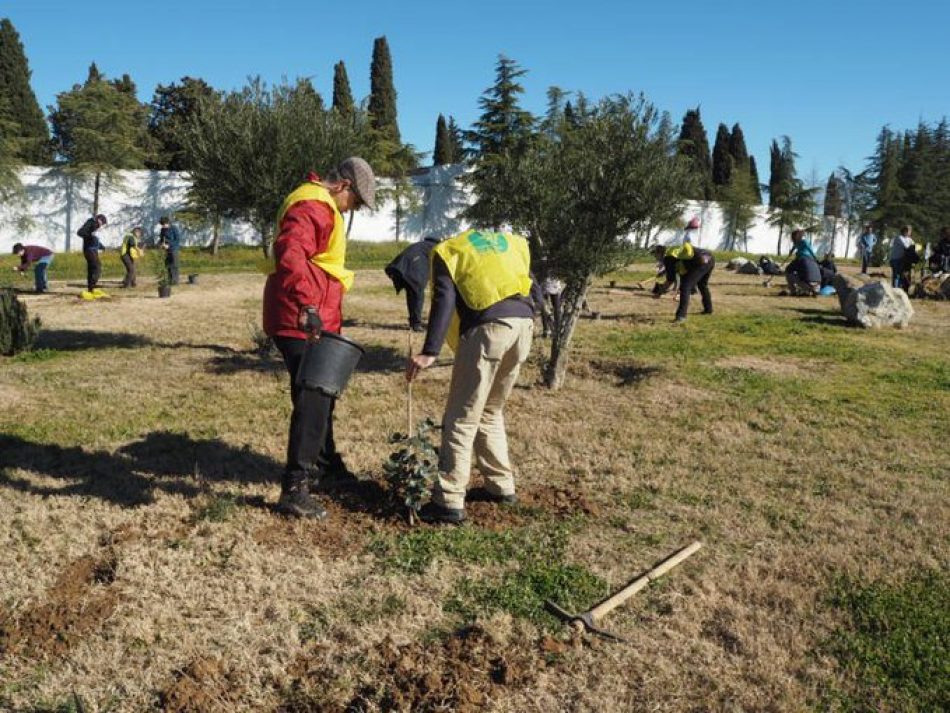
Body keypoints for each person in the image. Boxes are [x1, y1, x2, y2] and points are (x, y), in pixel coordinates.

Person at [263, 157, 376, 519]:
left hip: (312, 316)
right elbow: (291, 252)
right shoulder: (314, 205)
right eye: (355, 202)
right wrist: (308, 305)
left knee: (321, 394)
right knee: (313, 397)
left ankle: (326, 468)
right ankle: (295, 487)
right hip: (301, 318)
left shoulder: (321, 204)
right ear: (343, 186)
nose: (352, 209)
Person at [406, 228, 538, 524]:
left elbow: (444, 298)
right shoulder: (505, 244)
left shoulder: (448, 252)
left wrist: (430, 351)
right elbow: (534, 286)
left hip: (489, 330)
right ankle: (501, 486)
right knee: (490, 411)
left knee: (461, 418)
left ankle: (449, 501)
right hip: (524, 326)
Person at [384, 235, 441, 332]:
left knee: (412, 295)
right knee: (418, 295)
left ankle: (414, 322)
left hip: (400, 267)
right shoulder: (435, 247)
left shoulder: (420, 245)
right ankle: (416, 324)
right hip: (414, 269)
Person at [651, 242, 714, 321]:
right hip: (709, 256)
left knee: (685, 287)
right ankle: (708, 309)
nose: (655, 257)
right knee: (702, 285)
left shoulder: (668, 257)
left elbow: (670, 280)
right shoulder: (673, 251)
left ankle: (681, 316)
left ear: (660, 253)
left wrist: (659, 293)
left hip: (700, 260)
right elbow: (677, 269)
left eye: (655, 255)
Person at [784, 230, 821, 296]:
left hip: (803, 258)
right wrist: (791, 252)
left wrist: (815, 257)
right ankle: (811, 289)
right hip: (818, 285)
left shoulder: (804, 243)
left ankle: (794, 291)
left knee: (788, 272)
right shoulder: (798, 243)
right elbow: (794, 247)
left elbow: (810, 249)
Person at [77, 214, 107, 292]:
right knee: (96, 267)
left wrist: (102, 247)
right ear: (99, 220)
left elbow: (95, 240)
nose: (101, 226)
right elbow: (80, 232)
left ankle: (91, 288)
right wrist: (90, 235)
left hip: (93, 250)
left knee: (92, 268)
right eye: (102, 223)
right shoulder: (91, 222)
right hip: (89, 250)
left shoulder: (95, 226)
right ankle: (92, 284)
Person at [889, 225, 915, 290]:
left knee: (902, 275)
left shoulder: (909, 239)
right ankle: (895, 289)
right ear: (905, 231)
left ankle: (900, 289)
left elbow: (914, 246)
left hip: (902, 260)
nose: (910, 232)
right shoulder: (899, 238)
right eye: (909, 231)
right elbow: (906, 246)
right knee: (896, 275)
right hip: (895, 259)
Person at [158, 216, 181, 285]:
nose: (163, 226)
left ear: (168, 223)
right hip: (166, 250)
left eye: (164, 224)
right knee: (167, 264)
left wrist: (169, 245)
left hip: (174, 249)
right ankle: (170, 279)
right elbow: (162, 239)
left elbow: (177, 240)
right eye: (162, 225)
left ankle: (175, 281)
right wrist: (161, 244)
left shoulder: (174, 228)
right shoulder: (163, 230)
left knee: (174, 264)